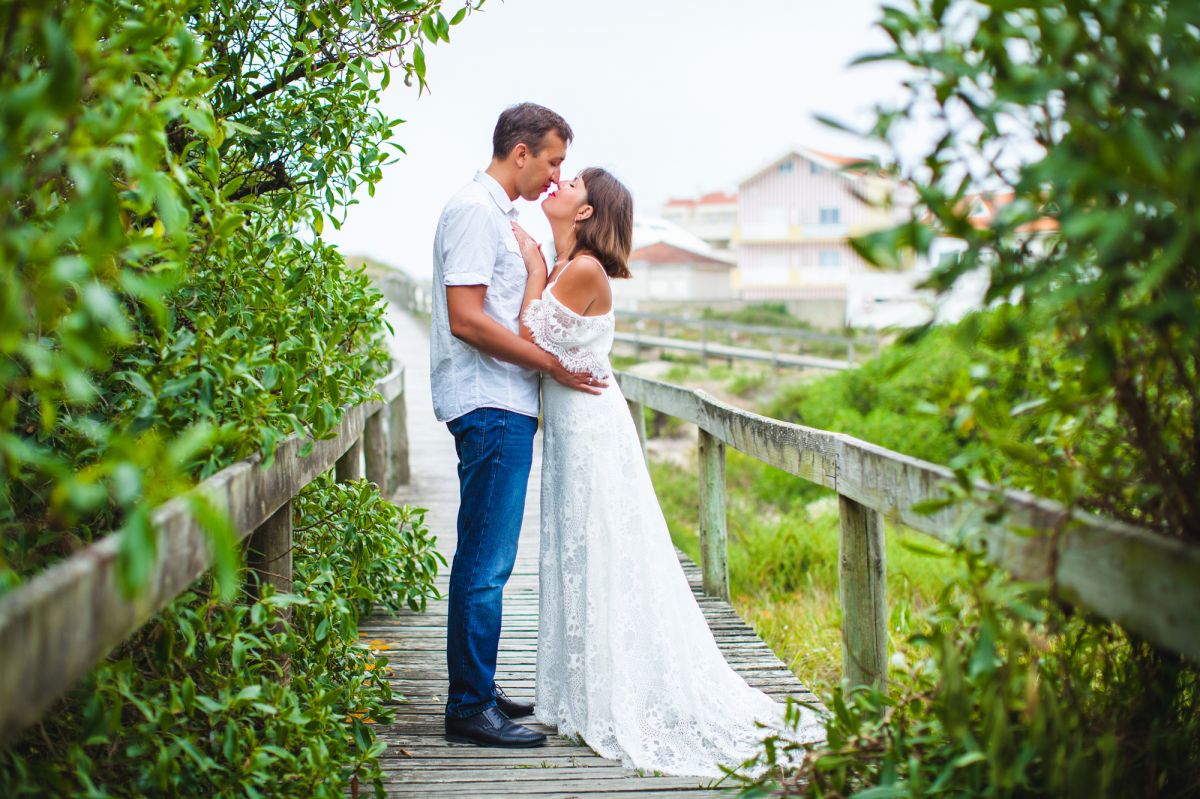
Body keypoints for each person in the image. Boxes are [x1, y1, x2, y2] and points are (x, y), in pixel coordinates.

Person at [513, 168, 826, 777]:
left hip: (592, 430)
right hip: (575, 426)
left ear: (585, 211)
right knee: (578, 546)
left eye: (571, 183)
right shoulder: (564, 265)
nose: (558, 184)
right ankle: (580, 692)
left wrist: (530, 270)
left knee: (600, 544)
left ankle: (610, 692)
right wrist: (537, 265)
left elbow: (531, 334)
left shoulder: (580, 272)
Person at [430, 103, 605, 749]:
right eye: (554, 160)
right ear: (521, 151)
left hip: (503, 401)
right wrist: (553, 365)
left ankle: (478, 684)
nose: (556, 174)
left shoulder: (499, 216)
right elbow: (468, 319)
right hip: (491, 401)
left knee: (487, 555)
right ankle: (470, 706)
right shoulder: (477, 211)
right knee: (487, 560)